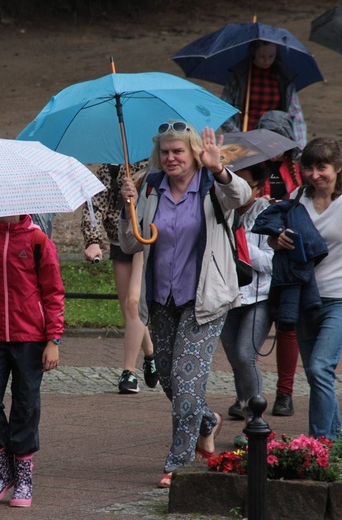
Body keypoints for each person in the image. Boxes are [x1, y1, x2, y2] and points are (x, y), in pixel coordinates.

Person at [118, 121, 252, 488]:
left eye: (178, 150)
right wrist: (128, 208)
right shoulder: (150, 186)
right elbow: (131, 244)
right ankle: (207, 421)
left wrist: (218, 168)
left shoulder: (212, 186)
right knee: (167, 378)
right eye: (165, 151)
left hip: (204, 301)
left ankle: (179, 461)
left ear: (193, 151)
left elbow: (242, 195)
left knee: (187, 383)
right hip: (161, 299)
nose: (171, 157)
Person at [269, 126, 342, 440]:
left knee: (321, 366)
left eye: (322, 167)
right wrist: (276, 240)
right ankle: (335, 437)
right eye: (308, 167)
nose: (314, 174)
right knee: (314, 372)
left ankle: (322, 441)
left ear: (337, 168)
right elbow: (277, 236)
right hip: (306, 297)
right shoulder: (297, 197)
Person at [0, 214, 64, 507]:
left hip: (29, 336)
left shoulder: (37, 240)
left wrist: (53, 340)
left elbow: (53, 292)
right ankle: (2, 469)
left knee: (26, 403)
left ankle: (23, 474)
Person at [81, 162, 157, 394]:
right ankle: (151, 354)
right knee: (128, 309)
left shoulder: (158, 162)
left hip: (147, 237)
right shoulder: (110, 168)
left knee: (134, 302)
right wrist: (93, 239)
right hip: (121, 238)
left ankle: (129, 372)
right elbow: (94, 205)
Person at [254, 110, 303, 418]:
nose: (272, 147)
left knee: (287, 326)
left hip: (288, 259)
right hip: (255, 256)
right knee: (249, 329)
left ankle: (284, 393)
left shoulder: (298, 170)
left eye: (278, 141)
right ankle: (249, 392)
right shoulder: (247, 166)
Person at [219, 165, 274, 434]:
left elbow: (270, 262)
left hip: (259, 297)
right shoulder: (221, 208)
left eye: (247, 185)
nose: (239, 190)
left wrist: (238, 243)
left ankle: (256, 421)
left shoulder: (268, 213)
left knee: (244, 356)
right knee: (235, 360)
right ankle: (245, 411)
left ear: (259, 188)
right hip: (228, 297)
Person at [221, 41, 307, 147]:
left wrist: (300, 145)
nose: (267, 61)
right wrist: (237, 135)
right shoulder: (240, 76)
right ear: (253, 52)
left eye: (271, 56)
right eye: (262, 56)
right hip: (244, 136)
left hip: (274, 139)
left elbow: (295, 113)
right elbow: (223, 110)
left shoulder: (284, 78)